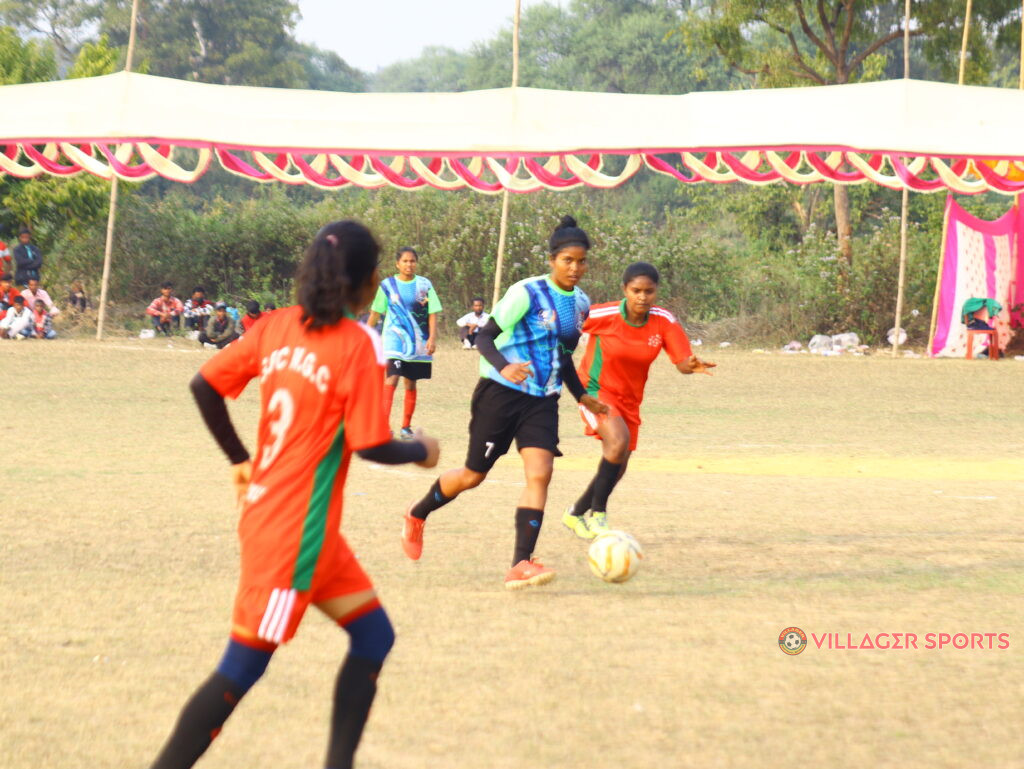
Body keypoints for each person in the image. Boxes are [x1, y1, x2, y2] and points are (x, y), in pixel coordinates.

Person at [149, 219, 440, 769]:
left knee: (374, 636)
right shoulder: (358, 344)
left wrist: (240, 460)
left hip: (307, 531)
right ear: (370, 280)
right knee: (241, 669)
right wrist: (421, 448)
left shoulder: (275, 327)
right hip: (292, 538)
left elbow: (204, 384)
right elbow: (371, 443)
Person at [401, 215, 607, 589]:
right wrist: (506, 366)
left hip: (542, 399)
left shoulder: (580, 304)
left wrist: (583, 397)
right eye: (567, 261)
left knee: (541, 472)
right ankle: (417, 514)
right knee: (472, 476)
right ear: (552, 260)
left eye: (581, 261)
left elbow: (561, 355)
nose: (575, 268)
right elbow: (484, 338)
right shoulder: (527, 292)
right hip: (499, 393)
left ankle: (520, 562)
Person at [562, 262, 715, 539]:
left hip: (630, 400)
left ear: (656, 292)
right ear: (625, 290)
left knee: (618, 466)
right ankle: (598, 515)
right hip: (595, 390)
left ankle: (575, 514)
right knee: (617, 442)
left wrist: (690, 365)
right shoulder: (603, 314)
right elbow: (563, 325)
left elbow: (680, 361)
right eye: (636, 291)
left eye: (649, 291)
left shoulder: (663, 321)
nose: (642, 297)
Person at [365, 247, 442, 439]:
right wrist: (365, 336)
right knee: (392, 377)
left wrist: (432, 338)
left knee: (410, 383)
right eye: (405, 261)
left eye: (412, 261)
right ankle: (383, 427)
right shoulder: (387, 285)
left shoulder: (424, 285)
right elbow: (375, 313)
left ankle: (406, 427)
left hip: (418, 341)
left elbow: (432, 313)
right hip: (393, 339)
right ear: (397, 264)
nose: (409, 264)